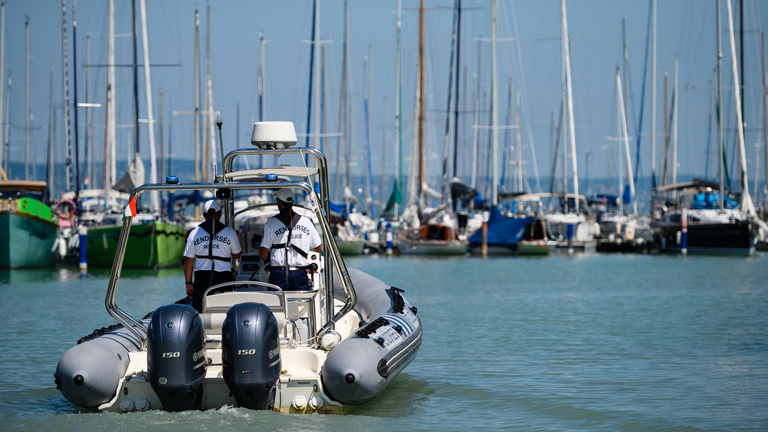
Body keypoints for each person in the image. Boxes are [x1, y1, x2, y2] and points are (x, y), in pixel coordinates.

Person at [184, 199, 242, 313]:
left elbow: (188, 262)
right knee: (225, 310)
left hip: (201, 279)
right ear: (220, 214)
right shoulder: (230, 232)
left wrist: (188, 283)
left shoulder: (194, 233)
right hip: (224, 278)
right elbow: (237, 255)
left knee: (201, 311)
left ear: (204, 215)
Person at [259, 188, 322, 291]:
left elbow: (263, 255)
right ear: (292, 202)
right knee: (301, 304)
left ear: (278, 202)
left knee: (277, 304)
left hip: (278, 275)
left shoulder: (271, 223)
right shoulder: (306, 222)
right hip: (299, 274)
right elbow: (318, 247)